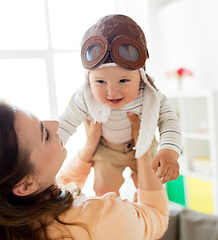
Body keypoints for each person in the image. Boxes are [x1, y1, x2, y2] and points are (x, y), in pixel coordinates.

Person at [0, 100, 168, 240]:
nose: (55, 125)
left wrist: (88, 150)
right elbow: (156, 217)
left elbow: (51, 191)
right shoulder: (100, 220)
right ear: (24, 185)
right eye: (44, 134)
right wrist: (144, 149)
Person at [58, 14, 182, 197]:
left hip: (143, 144)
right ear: (88, 79)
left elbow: (169, 121)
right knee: (103, 192)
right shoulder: (85, 97)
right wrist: (51, 144)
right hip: (107, 150)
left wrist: (169, 151)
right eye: (100, 82)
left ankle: (142, 213)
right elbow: (66, 123)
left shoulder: (148, 95)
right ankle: (113, 217)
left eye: (123, 80)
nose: (112, 92)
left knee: (151, 189)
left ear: (140, 76)